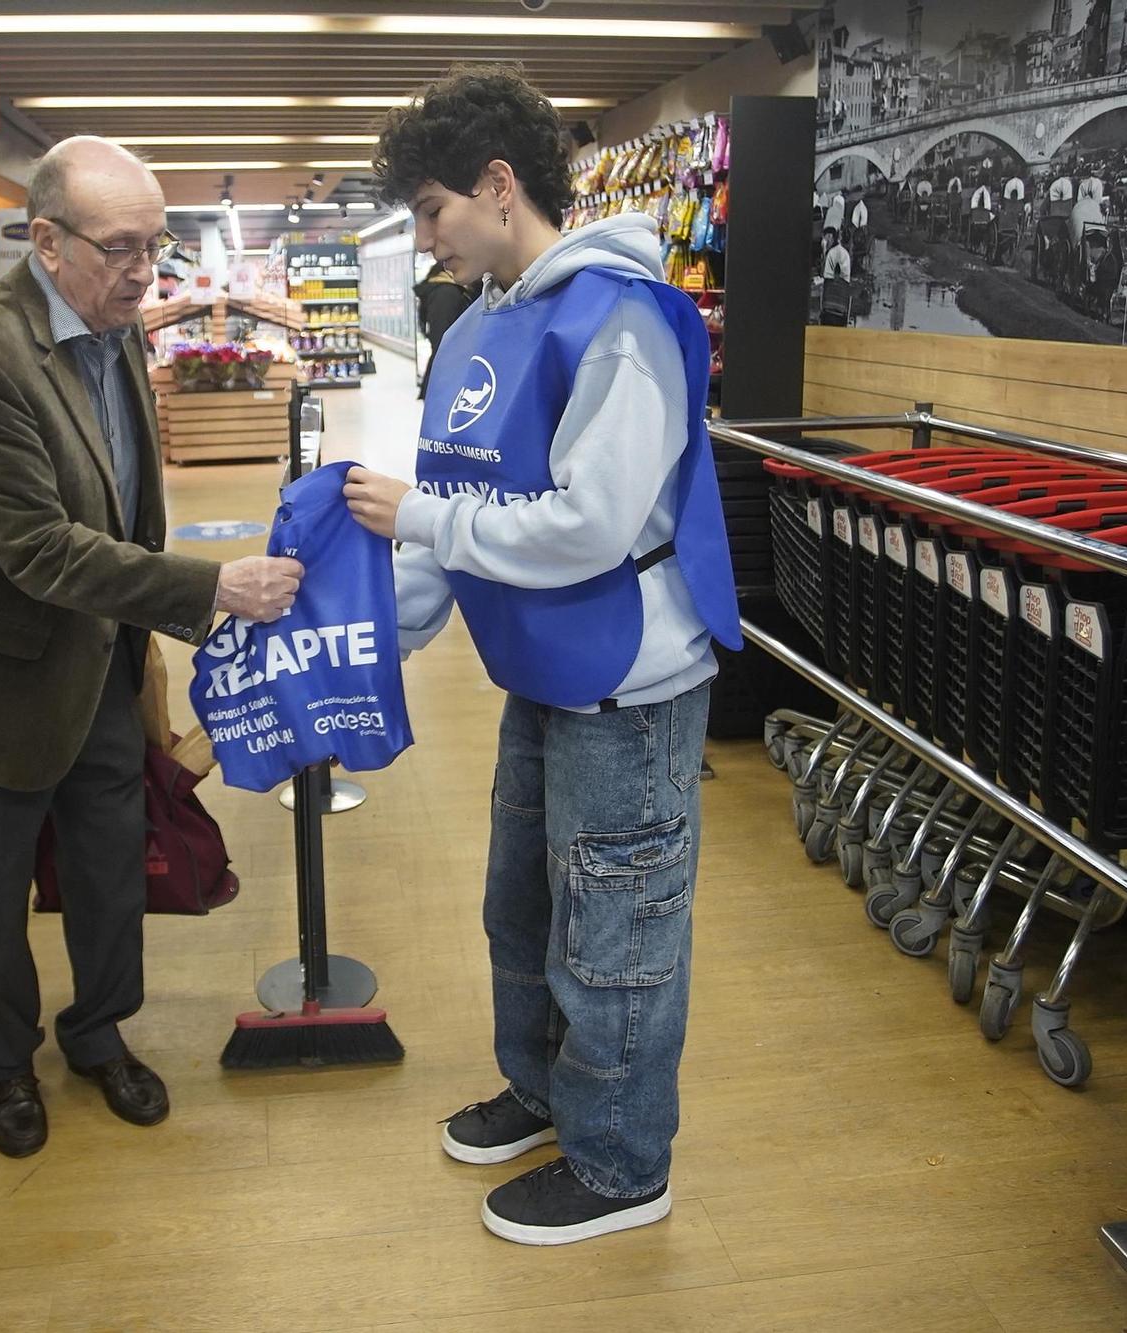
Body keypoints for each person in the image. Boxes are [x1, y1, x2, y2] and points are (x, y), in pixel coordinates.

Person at [343, 65, 740, 1247]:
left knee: (616, 932)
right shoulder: (476, 329)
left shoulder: (619, 319)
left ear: (497, 185)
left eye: (431, 210)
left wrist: (416, 521)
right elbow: (459, 502)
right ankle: (544, 1090)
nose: (424, 240)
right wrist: (374, 641)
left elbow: (588, 524)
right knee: (521, 907)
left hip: (627, 685)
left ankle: (621, 1166)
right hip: (537, 673)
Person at [0, 136, 303, 1159]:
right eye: (120, 246)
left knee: (112, 861)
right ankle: (1, 1064)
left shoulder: (115, 329)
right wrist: (210, 590)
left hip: (101, 660)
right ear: (46, 241)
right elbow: (35, 549)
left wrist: (149, 639)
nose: (142, 270)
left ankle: (98, 1029)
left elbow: (123, 510)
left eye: (152, 244)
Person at [413, 263, 475, 400]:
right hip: (447, 374)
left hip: (443, 371)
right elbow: (441, 338)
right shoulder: (446, 293)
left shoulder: (442, 290)